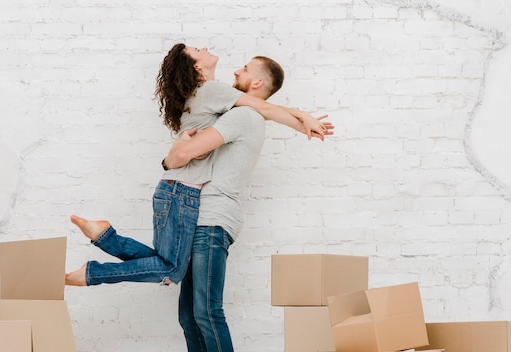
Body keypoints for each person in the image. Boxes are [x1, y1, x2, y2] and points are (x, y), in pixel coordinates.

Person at [65, 43, 329, 287]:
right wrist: (304, 120)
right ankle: (92, 273)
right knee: (170, 270)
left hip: (174, 190)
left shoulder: (205, 96)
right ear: (196, 67)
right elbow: (265, 109)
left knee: (169, 266)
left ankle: (105, 237)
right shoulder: (212, 90)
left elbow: (259, 110)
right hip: (183, 192)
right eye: (196, 50)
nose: (204, 48)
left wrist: (304, 120)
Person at [164, 55, 331, 351]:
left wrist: (176, 152)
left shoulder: (240, 116)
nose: (236, 70)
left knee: (206, 312)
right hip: (200, 218)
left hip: (212, 219)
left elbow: (183, 155)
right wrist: (300, 116)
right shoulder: (242, 111)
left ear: (256, 82)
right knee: (189, 315)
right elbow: (264, 108)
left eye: (243, 69)